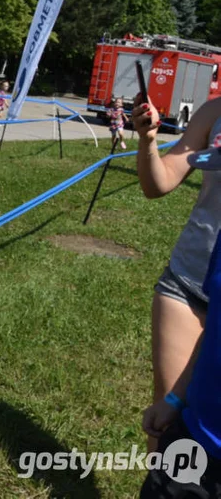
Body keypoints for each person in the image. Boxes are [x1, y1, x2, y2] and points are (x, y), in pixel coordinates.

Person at [132, 95, 221, 457]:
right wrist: (148, 140)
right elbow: (159, 183)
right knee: (167, 423)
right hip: (189, 280)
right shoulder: (215, 111)